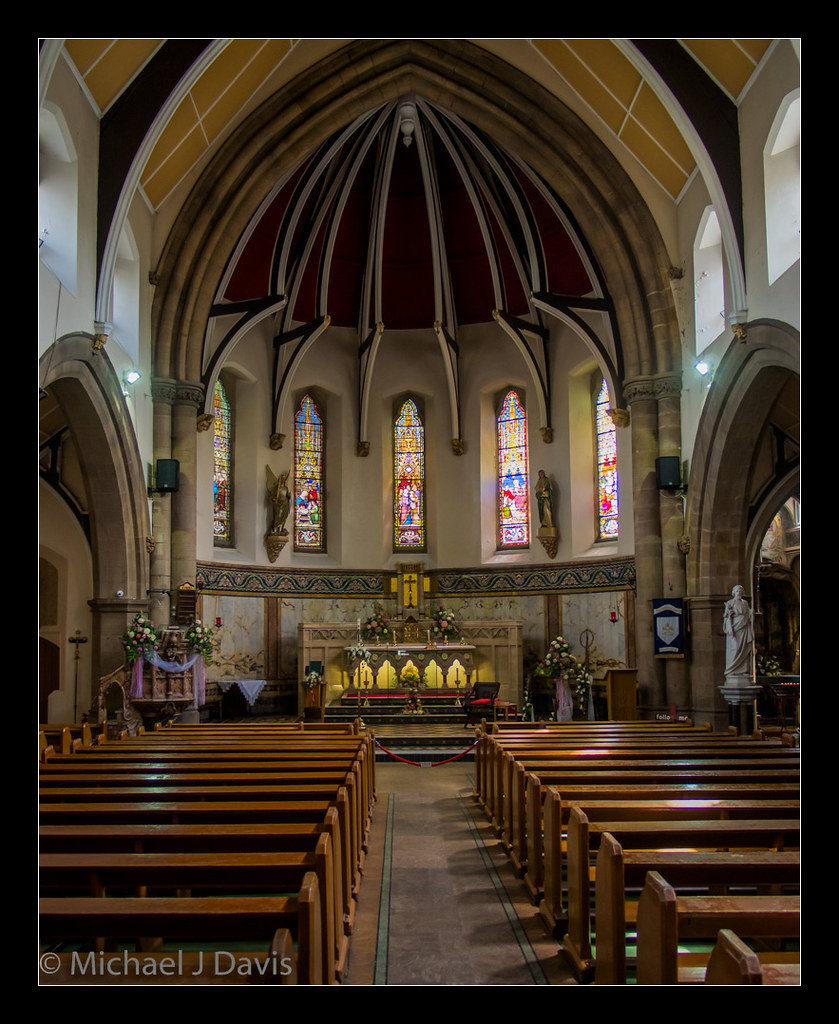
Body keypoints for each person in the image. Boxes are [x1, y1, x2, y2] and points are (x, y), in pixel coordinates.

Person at [723, 584, 754, 680]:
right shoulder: (730, 603)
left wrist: (751, 613)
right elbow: (727, 617)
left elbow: (748, 613)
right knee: (736, 648)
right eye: (737, 591)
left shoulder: (745, 603)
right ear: (734, 593)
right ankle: (731, 670)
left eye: (740, 591)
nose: (739, 593)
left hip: (744, 626)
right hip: (735, 627)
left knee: (745, 648)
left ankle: (743, 670)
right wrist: (729, 628)